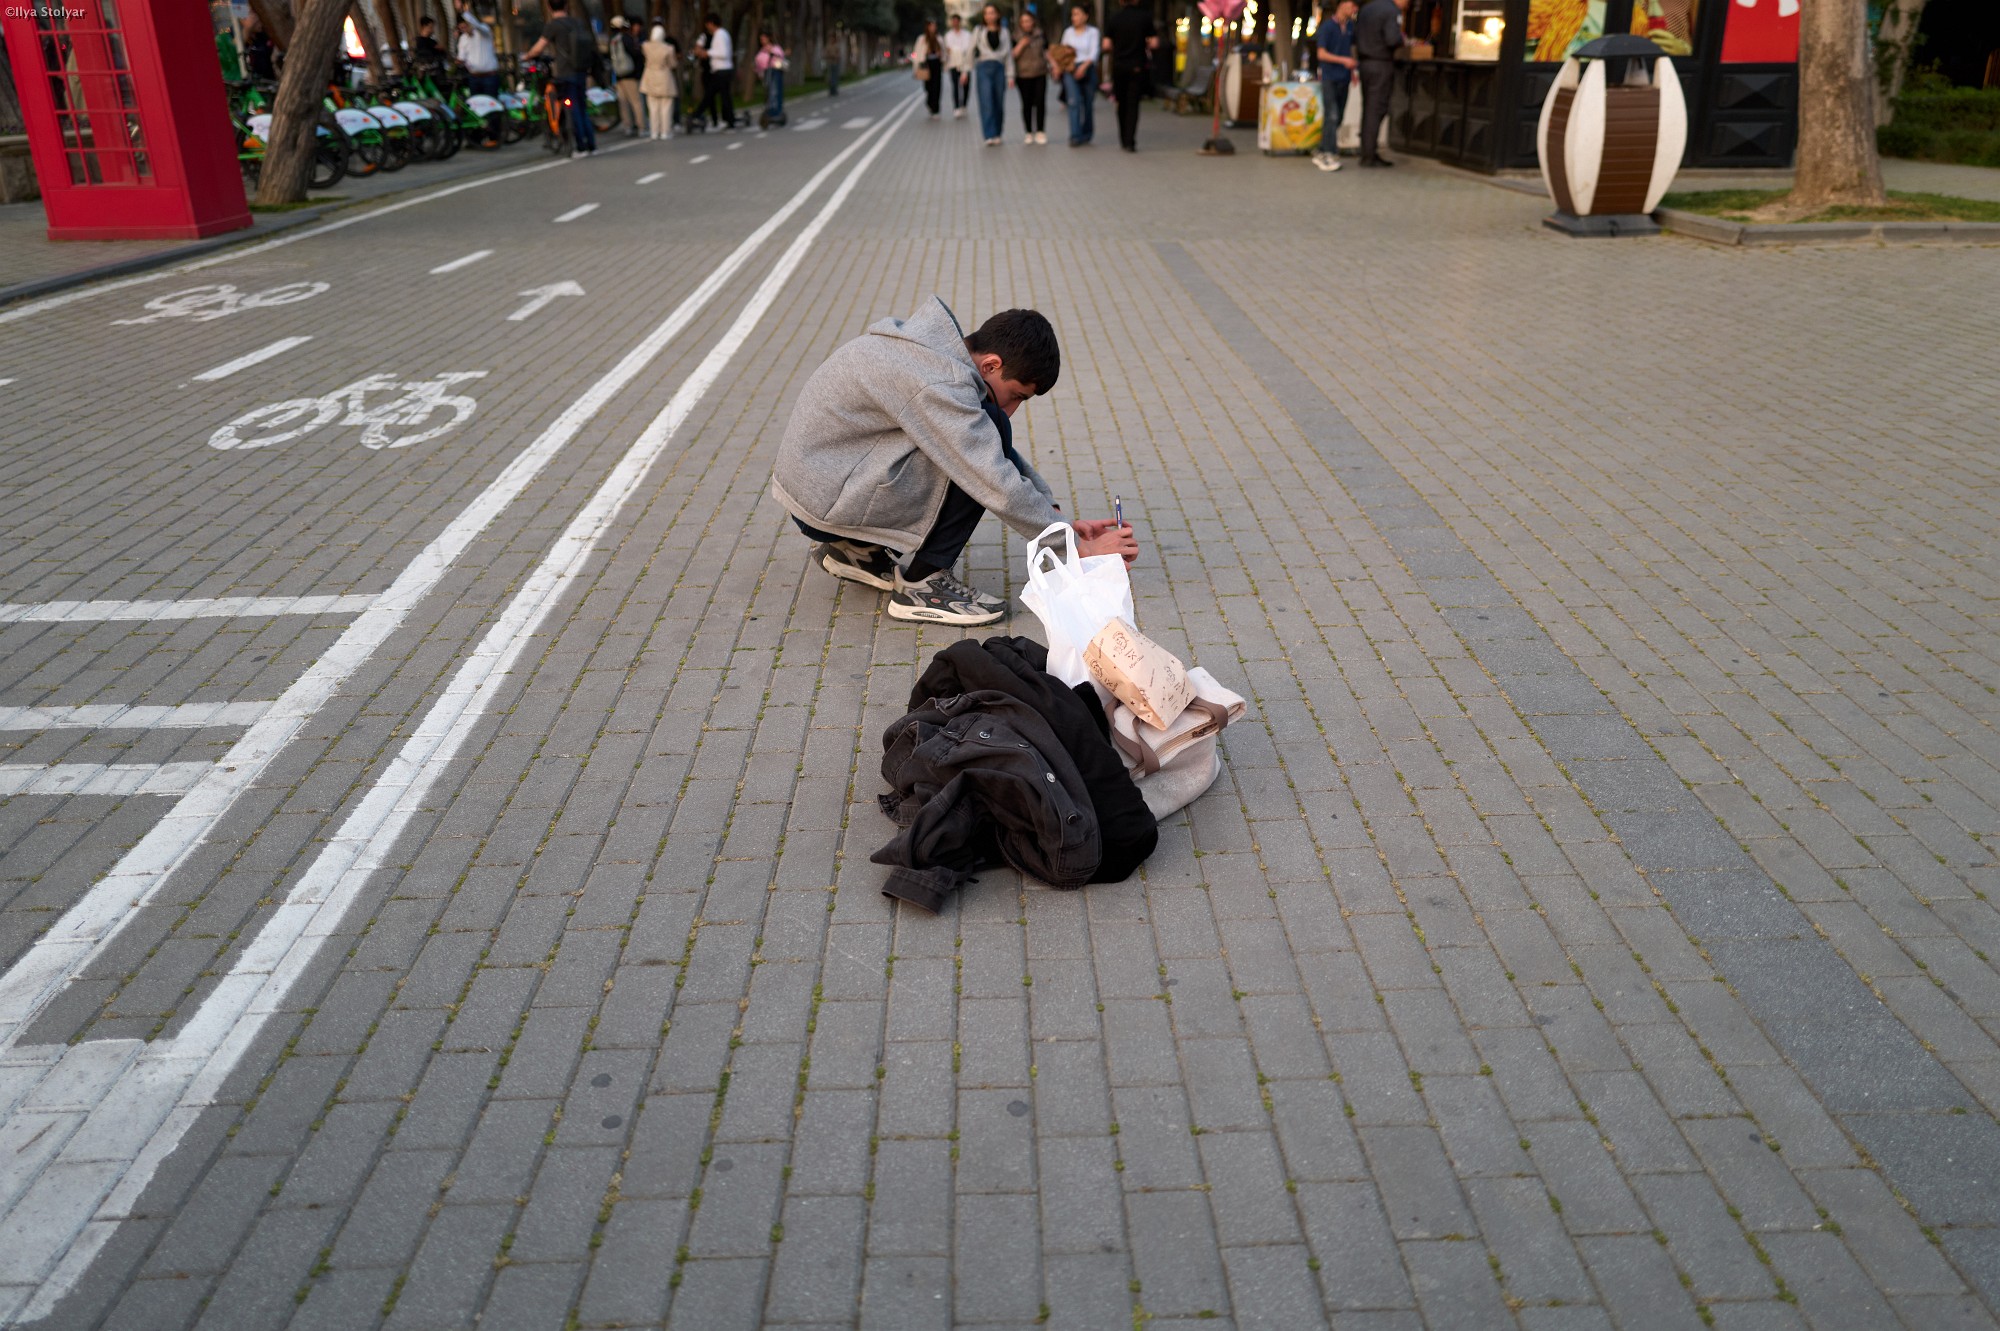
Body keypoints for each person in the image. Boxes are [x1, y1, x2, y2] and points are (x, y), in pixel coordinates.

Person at [773, 301, 1139, 627]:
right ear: (991, 364)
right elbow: (993, 478)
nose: (1013, 408)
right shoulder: (937, 383)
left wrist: (1056, 517)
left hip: (819, 492)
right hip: (829, 501)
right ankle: (922, 586)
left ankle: (853, 551)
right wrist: (1075, 547)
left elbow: (989, 451)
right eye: (1016, 395)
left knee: (986, 430)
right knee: (988, 436)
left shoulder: (928, 351)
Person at [524, 0, 595, 156]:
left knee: (572, 107)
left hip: (565, 73)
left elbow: (539, 47)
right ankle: (591, 144)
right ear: (566, 6)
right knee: (582, 107)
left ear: (549, 7)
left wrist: (527, 56)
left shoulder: (553, 25)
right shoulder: (577, 23)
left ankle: (580, 146)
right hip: (581, 70)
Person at [1102, 0, 1158, 153]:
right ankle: (1130, 141)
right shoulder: (1145, 17)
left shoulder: (1114, 18)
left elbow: (1106, 45)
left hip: (1119, 66)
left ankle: (1123, 137)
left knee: (1121, 102)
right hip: (1137, 66)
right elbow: (1154, 43)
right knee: (1133, 104)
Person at [1354, 0, 1405, 165]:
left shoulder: (1366, 8)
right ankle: (1369, 155)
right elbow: (1392, 39)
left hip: (1365, 64)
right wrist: (1402, 41)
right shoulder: (1391, 11)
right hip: (1381, 63)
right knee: (1376, 109)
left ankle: (1367, 151)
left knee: (1368, 107)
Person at [1313, 0, 1357, 170]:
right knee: (1331, 115)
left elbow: (1350, 50)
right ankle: (1328, 153)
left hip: (1344, 77)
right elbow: (1321, 54)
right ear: (1341, 5)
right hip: (1330, 77)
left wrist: (1352, 72)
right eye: (1351, 5)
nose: (1354, 9)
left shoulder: (1350, 27)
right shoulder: (1327, 27)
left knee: (1338, 116)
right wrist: (1343, 61)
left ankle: (1323, 148)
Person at [1057, 4, 1099, 146]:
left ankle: (1087, 133)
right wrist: (1067, 53)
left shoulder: (1093, 32)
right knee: (1073, 102)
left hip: (1088, 68)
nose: (1073, 17)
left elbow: (1094, 52)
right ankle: (1075, 135)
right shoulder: (1068, 32)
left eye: (1077, 14)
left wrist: (1084, 67)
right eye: (1072, 14)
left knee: (1088, 103)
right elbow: (1062, 51)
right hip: (1071, 69)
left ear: (1085, 16)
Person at [972, 4, 1011, 146]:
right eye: (986, 13)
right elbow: (971, 50)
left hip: (999, 67)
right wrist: (965, 71)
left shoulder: (1004, 31)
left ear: (998, 15)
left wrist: (1011, 75)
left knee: (998, 103)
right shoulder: (978, 30)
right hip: (983, 66)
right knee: (986, 101)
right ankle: (989, 134)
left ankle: (997, 133)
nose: (989, 16)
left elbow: (1008, 55)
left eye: (992, 13)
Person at [1012, 11, 1048, 145]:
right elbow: (1012, 55)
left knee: (1040, 102)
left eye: (1028, 21)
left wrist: (1054, 66)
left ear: (1033, 21)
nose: (1026, 24)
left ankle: (1040, 131)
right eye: (1023, 21)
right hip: (1023, 74)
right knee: (1026, 104)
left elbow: (1046, 51)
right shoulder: (1015, 36)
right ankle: (1028, 132)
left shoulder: (1040, 34)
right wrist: (1021, 44)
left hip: (1040, 72)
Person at [698, 13, 736, 129]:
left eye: (708, 25)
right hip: (721, 70)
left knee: (711, 95)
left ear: (711, 23)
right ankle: (729, 119)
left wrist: (708, 53)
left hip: (722, 70)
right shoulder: (721, 34)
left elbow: (723, 53)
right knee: (723, 96)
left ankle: (697, 114)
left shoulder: (720, 35)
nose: (707, 27)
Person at [608, 16, 644, 138]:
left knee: (623, 103)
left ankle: (627, 126)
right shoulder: (626, 38)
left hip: (618, 76)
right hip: (630, 75)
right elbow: (635, 54)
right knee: (636, 101)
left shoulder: (613, 40)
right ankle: (641, 126)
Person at [454, 2, 500, 96]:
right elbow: (462, 57)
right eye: (461, 28)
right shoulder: (463, 38)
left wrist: (463, 12)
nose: (464, 30)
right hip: (474, 78)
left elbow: (477, 25)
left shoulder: (483, 31)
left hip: (489, 77)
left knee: (490, 103)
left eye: (465, 26)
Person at [641, 23, 678, 138]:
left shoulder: (645, 46)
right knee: (666, 107)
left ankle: (654, 131)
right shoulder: (668, 48)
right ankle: (665, 131)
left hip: (650, 76)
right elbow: (672, 64)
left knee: (652, 107)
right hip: (664, 77)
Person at [943, 13, 975, 118]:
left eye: (957, 21)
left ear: (960, 22)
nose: (955, 23)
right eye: (954, 21)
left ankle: (964, 104)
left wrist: (957, 50)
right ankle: (956, 107)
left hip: (965, 64)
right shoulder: (948, 35)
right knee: (955, 86)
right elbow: (948, 49)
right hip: (953, 64)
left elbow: (968, 49)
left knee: (966, 85)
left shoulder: (967, 35)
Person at [911, 20, 943, 118]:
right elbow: (916, 52)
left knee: (937, 87)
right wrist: (915, 66)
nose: (933, 28)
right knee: (928, 87)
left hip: (936, 64)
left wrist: (941, 55)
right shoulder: (922, 39)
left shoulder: (939, 38)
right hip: (926, 64)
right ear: (927, 27)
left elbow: (944, 52)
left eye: (934, 26)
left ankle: (936, 110)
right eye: (931, 26)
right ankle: (930, 103)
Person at [755, 31, 786, 121]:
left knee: (775, 91)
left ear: (769, 38)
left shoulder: (775, 48)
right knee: (768, 92)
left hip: (775, 71)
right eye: (761, 39)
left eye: (764, 38)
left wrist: (771, 51)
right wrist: (759, 72)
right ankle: (769, 110)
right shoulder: (761, 51)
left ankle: (777, 111)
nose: (762, 41)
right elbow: (758, 63)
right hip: (766, 72)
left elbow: (781, 57)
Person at [824, 30, 843, 96]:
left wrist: (834, 56)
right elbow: (825, 54)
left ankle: (834, 90)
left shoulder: (836, 46)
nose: (831, 39)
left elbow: (839, 55)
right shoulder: (828, 46)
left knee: (835, 77)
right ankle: (831, 90)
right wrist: (829, 56)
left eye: (832, 38)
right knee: (830, 77)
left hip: (835, 63)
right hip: (830, 63)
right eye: (830, 38)